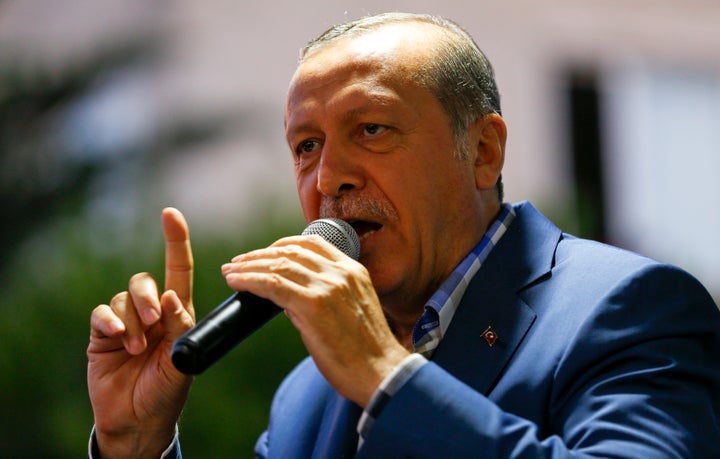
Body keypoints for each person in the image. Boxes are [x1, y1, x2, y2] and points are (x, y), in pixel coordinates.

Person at [87, 12, 720, 458]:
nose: (328, 176)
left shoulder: (627, 309)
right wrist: (135, 447)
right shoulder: (306, 395)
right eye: (307, 146)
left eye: (371, 129)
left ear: (482, 150)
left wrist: (388, 379)